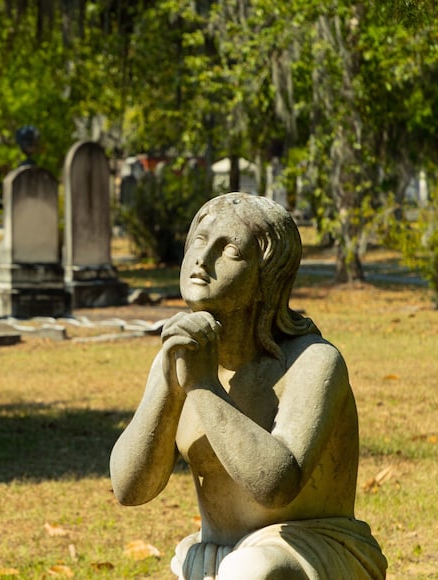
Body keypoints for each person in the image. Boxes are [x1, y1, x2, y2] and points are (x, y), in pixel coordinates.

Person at [110, 193, 387, 579]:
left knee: (251, 570)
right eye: (200, 241)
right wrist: (171, 385)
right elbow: (129, 489)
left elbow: (276, 485)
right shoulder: (180, 358)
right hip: (219, 552)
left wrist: (204, 386)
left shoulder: (313, 362)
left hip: (314, 548)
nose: (202, 262)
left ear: (267, 278)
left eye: (231, 251)